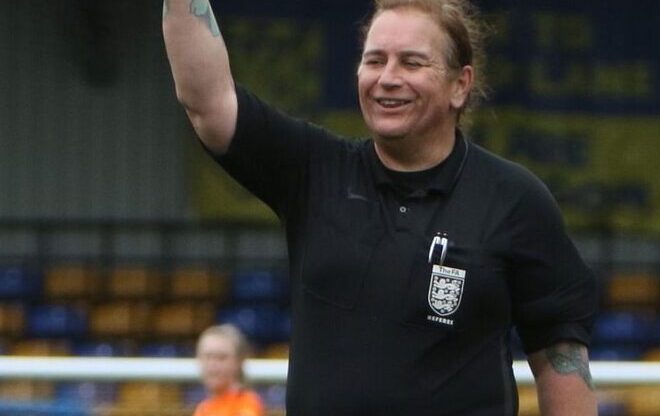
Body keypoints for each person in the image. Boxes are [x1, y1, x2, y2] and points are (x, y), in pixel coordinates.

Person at [163, 0, 598, 414]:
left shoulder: (514, 199)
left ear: (460, 85)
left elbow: (559, 351)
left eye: (411, 62)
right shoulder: (314, 171)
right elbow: (208, 102)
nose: (388, 77)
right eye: (374, 60)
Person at [193, 324, 265, 416]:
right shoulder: (203, 408)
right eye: (208, 356)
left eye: (221, 357)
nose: (213, 364)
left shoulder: (247, 405)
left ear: (239, 361)